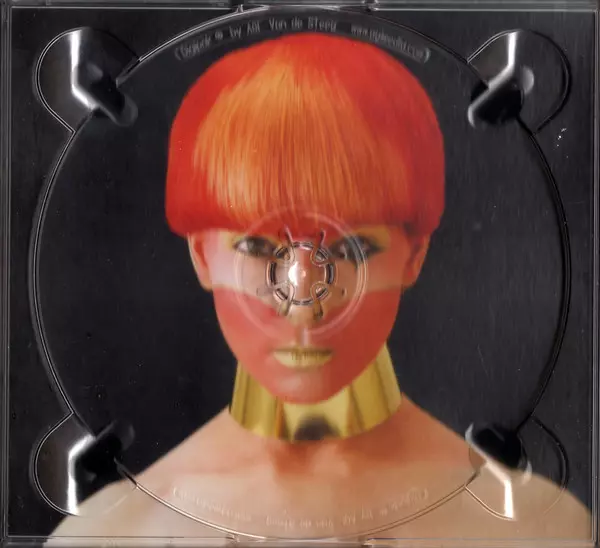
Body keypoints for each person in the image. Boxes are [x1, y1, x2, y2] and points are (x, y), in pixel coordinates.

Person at [50, 33, 590, 540]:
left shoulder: (544, 527)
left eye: (351, 249)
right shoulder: (105, 534)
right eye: (257, 247)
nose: (304, 308)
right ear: (200, 255)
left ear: (415, 255)